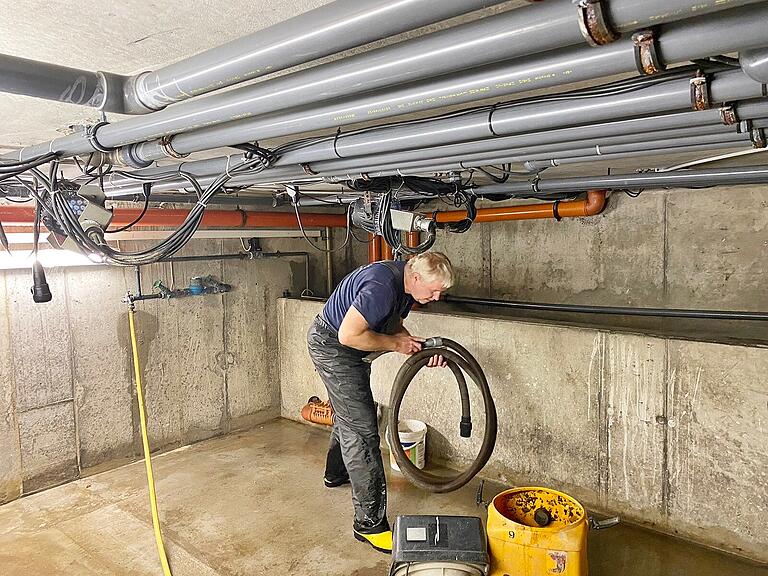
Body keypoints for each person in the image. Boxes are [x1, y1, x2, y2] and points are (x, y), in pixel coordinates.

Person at [306, 250, 454, 553]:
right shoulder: (382, 286)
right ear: (414, 277)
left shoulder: (404, 287)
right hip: (334, 346)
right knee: (362, 430)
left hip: (348, 347)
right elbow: (349, 335)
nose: (437, 296)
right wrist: (396, 344)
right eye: (434, 289)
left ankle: (336, 473)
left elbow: (393, 324)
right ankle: (369, 524)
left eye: (441, 290)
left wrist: (414, 348)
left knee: (351, 416)